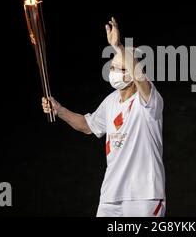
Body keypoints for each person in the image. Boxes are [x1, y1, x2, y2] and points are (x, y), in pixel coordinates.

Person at [42, 17, 166, 217]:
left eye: (122, 69)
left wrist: (118, 46)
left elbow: (141, 79)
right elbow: (87, 126)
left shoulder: (149, 101)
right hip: (111, 194)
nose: (115, 72)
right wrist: (59, 110)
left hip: (144, 195)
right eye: (113, 68)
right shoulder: (111, 101)